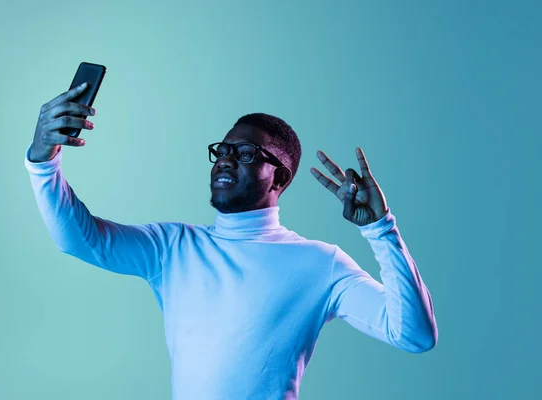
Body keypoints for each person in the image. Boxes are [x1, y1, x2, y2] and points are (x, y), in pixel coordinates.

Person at [24, 82, 438, 399]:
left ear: (279, 177)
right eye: (223, 149)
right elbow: (78, 239)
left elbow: (414, 335)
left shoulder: (319, 263)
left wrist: (380, 227)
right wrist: (43, 158)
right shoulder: (174, 247)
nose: (225, 158)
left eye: (245, 153)